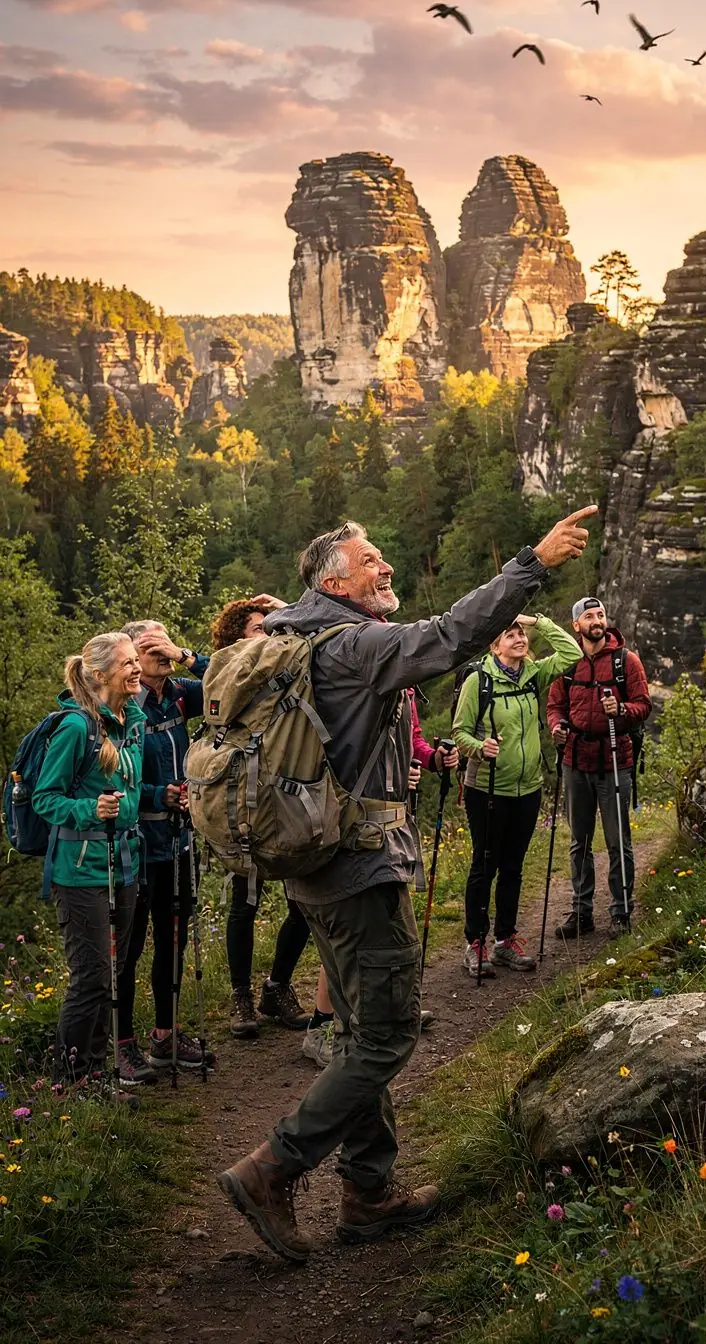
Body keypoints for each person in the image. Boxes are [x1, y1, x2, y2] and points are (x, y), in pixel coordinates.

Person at [218, 506, 596, 1262]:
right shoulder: (350, 645)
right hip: (359, 868)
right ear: (335, 581)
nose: (385, 568)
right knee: (387, 1035)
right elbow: (448, 638)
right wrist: (532, 564)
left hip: (319, 865)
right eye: (372, 560)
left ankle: (368, 1193)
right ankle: (273, 1168)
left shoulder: (295, 639)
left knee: (363, 1031)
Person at [301, 694, 457, 1069]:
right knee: (350, 934)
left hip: (388, 820)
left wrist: (429, 758)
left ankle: (378, 1011)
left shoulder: (401, 683)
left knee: (370, 935)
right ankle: (324, 1025)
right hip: (351, 825)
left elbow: (412, 737)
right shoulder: (363, 667)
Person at [32, 633, 145, 1086]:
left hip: (125, 864)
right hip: (80, 871)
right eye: (126, 664)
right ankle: (72, 1079)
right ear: (100, 675)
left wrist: (164, 795)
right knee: (92, 978)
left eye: (137, 660)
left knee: (111, 976)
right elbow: (45, 797)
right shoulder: (76, 727)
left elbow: (130, 794)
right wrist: (88, 810)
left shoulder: (130, 721)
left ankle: (95, 1075)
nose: (136, 669)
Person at [453, 613, 581, 977]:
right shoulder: (478, 682)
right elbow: (460, 733)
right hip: (488, 788)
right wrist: (481, 747)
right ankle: (475, 944)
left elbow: (571, 653)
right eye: (510, 634)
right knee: (485, 865)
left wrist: (537, 621)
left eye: (521, 633)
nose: (519, 638)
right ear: (495, 646)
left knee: (513, 866)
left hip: (529, 787)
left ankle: (505, 941)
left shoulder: (533, 675)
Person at [115, 620, 214, 1082]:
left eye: (161, 639)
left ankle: (165, 1033)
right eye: (146, 644)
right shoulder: (121, 703)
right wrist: (159, 794)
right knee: (128, 948)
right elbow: (115, 775)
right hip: (134, 845)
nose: (155, 650)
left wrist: (185, 654)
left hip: (179, 840)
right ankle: (121, 1044)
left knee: (172, 942)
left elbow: (230, 684)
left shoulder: (178, 691)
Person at [211, 596, 312, 1040]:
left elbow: (319, 637)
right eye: (258, 629)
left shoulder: (286, 667)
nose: (269, 636)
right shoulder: (229, 677)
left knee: (303, 902)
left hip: (287, 795)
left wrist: (289, 609)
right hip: (247, 800)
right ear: (236, 638)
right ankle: (240, 997)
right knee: (245, 902)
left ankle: (277, 987)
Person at [546, 596, 652, 940]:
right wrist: (557, 726)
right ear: (576, 625)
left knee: (617, 840)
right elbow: (555, 705)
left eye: (600, 614)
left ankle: (621, 910)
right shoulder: (567, 663)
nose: (597, 619)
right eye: (589, 616)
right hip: (575, 760)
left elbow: (644, 705)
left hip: (614, 759)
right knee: (579, 841)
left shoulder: (626, 661)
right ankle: (581, 911)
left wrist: (620, 709)